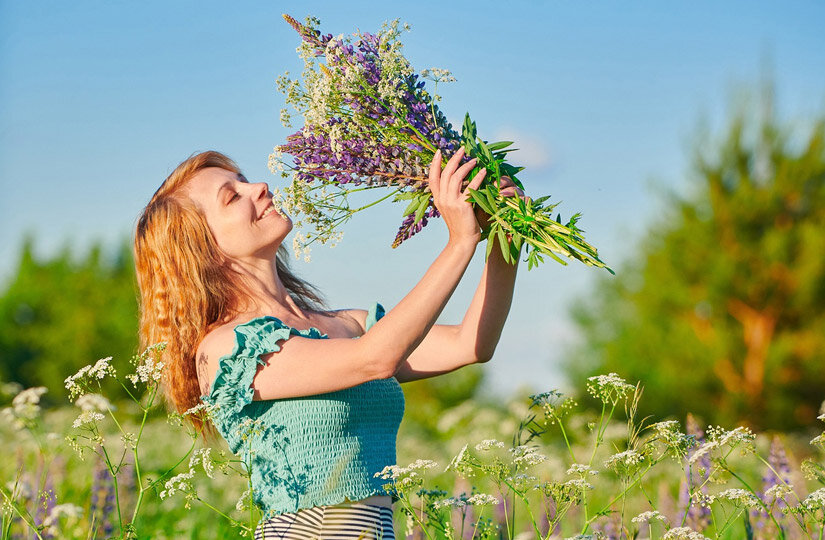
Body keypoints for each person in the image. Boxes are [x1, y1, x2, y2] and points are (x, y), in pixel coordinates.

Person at [133, 147, 523, 539]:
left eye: (244, 181)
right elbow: (375, 360)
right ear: (203, 250)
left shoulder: (347, 325)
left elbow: (470, 343)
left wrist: (504, 236)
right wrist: (459, 243)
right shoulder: (228, 350)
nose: (260, 188)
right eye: (233, 196)